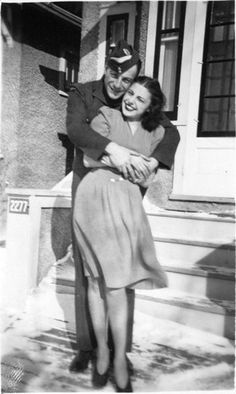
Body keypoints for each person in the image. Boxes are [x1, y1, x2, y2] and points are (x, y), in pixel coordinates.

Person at [66, 40, 180, 374]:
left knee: (122, 272)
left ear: (134, 79)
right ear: (106, 69)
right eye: (114, 76)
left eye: (127, 81)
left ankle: (121, 348)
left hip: (126, 191)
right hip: (88, 181)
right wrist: (115, 151)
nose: (119, 86)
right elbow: (75, 129)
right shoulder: (84, 93)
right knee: (88, 272)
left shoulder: (141, 109)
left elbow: (169, 132)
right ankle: (90, 347)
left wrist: (155, 162)